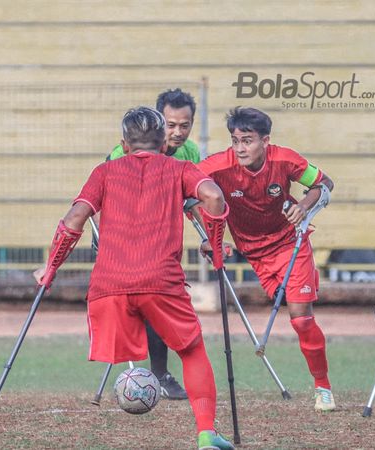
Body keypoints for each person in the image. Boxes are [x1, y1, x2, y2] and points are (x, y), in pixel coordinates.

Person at [34, 106, 234, 449]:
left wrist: (50, 268)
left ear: (124, 144)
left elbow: (74, 219)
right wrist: (215, 247)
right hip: (162, 281)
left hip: (109, 284)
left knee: (170, 343)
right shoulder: (180, 168)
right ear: (162, 141)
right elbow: (214, 196)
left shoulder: (105, 171)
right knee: (191, 350)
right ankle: (205, 434)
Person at [198, 106, 337, 412]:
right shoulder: (218, 165)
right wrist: (208, 236)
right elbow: (188, 192)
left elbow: (324, 183)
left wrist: (303, 205)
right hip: (254, 254)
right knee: (284, 302)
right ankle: (306, 284)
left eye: (247, 140)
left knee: (301, 319)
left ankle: (323, 387)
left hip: (290, 243)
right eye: (235, 140)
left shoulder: (284, 159)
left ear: (265, 140)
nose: (240, 148)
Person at [99, 88, 200, 400]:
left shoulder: (191, 154)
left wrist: (212, 238)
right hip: (120, 238)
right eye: (170, 125)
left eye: (185, 125)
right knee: (141, 302)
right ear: (158, 122)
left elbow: (196, 198)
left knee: (156, 304)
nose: (178, 132)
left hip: (160, 242)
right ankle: (139, 370)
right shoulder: (120, 155)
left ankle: (159, 372)